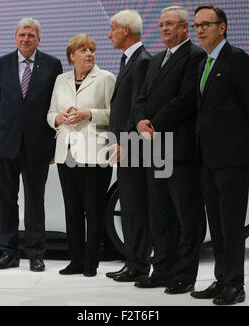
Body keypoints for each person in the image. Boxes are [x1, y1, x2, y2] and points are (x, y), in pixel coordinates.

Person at [190, 5, 249, 305]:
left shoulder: (236, 59)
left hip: (232, 158)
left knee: (232, 224)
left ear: (222, 27)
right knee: (217, 225)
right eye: (196, 25)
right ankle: (221, 280)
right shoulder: (202, 62)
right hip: (206, 158)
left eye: (206, 24)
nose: (199, 30)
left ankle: (235, 285)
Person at [133, 6, 206, 293]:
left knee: (185, 215)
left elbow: (187, 99)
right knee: (160, 213)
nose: (163, 29)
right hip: (156, 146)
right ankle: (162, 269)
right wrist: (140, 120)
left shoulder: (195, 56)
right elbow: (140, 97)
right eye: (161, 24)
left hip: (181, 147)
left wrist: (154, 122)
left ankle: (185, 274)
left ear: (185, 28)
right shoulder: (156, 60)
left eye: (170, 25)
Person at [0, 18, 62, 272]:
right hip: (3, 144)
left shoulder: (52, 64)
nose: (26, 39)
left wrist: (54, 145)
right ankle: (9, 252)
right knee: (6, 200)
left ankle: (36, 254)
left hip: (38, 145)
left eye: (31, 35)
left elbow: (56, 106)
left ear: (39, 38)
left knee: (35, 200)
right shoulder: (1, 63)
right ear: (15, 38)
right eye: (22, 35)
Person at [47, 34, 116, 277]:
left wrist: (89, 113)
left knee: (94, 210)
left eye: (92, 50)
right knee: (72, 209)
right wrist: (58, 118)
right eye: (83, 50)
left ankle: (91, 263)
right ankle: (75, 260)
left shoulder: (106, 78)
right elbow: (51, 112)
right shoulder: (61, 80)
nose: (89, 54)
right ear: (71, 56)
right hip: (67, 152)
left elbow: (114, 114)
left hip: (95, 153)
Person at [106, 10, 152, 282]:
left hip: (134, 149)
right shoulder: (130, 60)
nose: (109, 34)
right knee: (131, 209)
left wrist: (126, 142)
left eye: (112, 28)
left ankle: (139, 264)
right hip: (125, 149)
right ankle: (133, 262)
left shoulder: (142, 61)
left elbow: (139, 108)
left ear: (125, 30)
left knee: (136, 209)